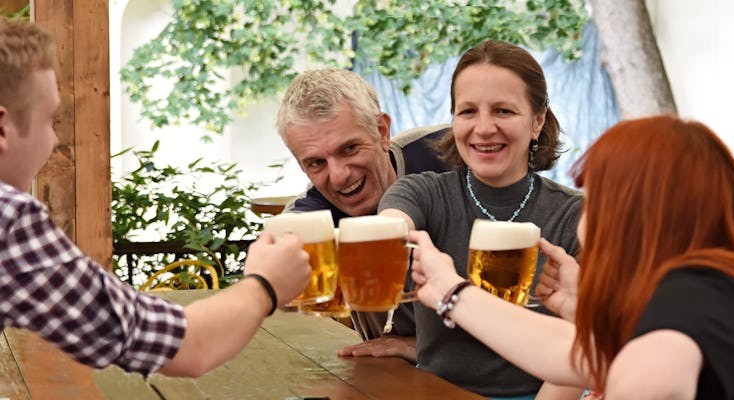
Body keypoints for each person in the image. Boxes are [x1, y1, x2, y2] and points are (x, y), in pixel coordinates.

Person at [407, 115, 734, 399]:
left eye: (595, 197)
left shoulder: (678, 320)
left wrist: (450, 289)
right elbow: (591, 355)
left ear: (630, 215)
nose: (583, 219)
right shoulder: (730, 288)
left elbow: (637, 374)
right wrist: (453, 291)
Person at [0, 18, 311, 377]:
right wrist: (266, 284)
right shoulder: (11, 218)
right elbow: (181, 345)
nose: (54, 142)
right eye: (49, 121)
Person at [374, 40, 582, 399]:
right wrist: (388, 239)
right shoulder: (422, 193)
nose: (484, 128)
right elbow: (392, 226)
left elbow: (588, 349)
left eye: (503, 111)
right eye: (468, 111)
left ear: (537, 120)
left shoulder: (574, 214)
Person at [275, 68, 449, 359]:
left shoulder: (450, 154)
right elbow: (275, 275)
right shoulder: (311, 216)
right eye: (316, 162)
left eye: (350, 148)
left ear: (381, 131)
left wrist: (417, 344)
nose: (340, 176)